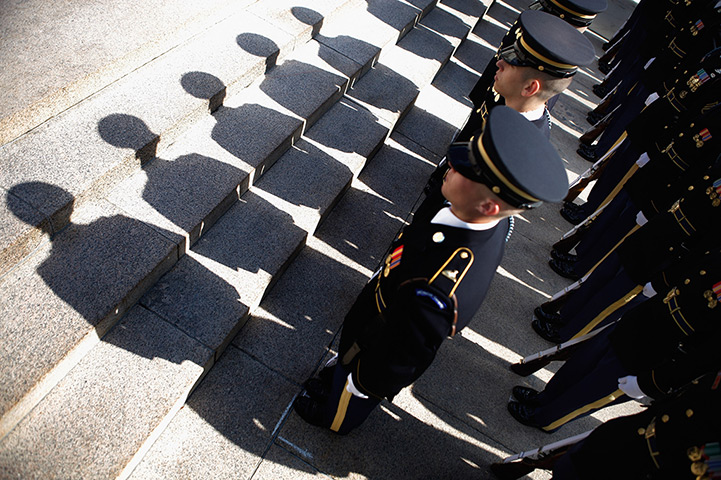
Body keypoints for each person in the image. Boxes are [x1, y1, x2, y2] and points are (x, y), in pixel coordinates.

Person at [294, 106, 569, 434]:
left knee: (349, 397)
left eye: (467, 167)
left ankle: (334, 417)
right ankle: (340, 377)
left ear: (488, 206)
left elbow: (400, 354)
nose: (453, 163)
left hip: (376, 348)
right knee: (344, 365)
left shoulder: (436, 290)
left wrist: (364, 381)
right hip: (381, 313)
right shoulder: (475, 218)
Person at [455, 9, 596, 142]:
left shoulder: (508, 143)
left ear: (529, 87)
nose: (499, 63)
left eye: (512, 64)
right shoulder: (512, 114)